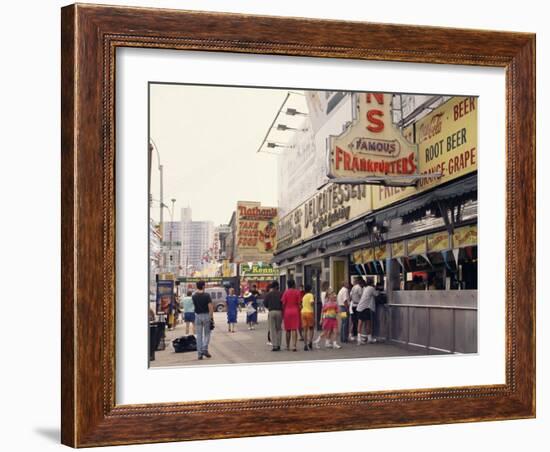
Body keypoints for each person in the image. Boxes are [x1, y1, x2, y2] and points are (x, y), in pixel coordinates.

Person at [192, 280, 214, 360]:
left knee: (199, 335)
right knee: (207, 334)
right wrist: (211, 317)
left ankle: (199, 354)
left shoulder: (194, 296)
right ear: (203, 286)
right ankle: (204, 349)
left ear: (197, 286)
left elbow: (194, 306)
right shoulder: (207, 295)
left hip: (197, 316)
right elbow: (210, 307)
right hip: (206, 315)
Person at [281, 280, 301, 351]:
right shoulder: (297, 292)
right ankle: (294, 346)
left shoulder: (285, 292)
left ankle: (287, 346)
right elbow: (299, 303)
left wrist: (283, 313)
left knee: (288, 330)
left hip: (287, 312)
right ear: (294, 284)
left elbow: (283, 303)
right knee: (294, 329)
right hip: (295, 312)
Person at [356, 278, 378, 345]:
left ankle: (359, 338)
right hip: (365, 308)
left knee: (360, 323)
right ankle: (369, 338)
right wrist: (377, 289)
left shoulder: (365, 288)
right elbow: (376, 294)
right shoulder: (371, 288)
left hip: (359, 307)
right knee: (368, 323)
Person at [264, 281, 283, 351]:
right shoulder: (281, 294)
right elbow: (283, 303)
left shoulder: (269, 294)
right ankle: (278, 345)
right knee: (279, 329)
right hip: (279, 312)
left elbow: (265, 303)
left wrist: (269, 307)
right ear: (277, 286)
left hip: (271, 312)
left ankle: (274, 345)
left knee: (272, 329)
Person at [301, 285, 315, 351]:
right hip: (309, 312)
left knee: (305, 329)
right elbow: (311, 302)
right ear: (310, 289)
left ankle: (305, 345)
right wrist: (313, 304)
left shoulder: (304, 296)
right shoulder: (310, 295)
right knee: (311, 328)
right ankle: (310, 342)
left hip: (303, 312)